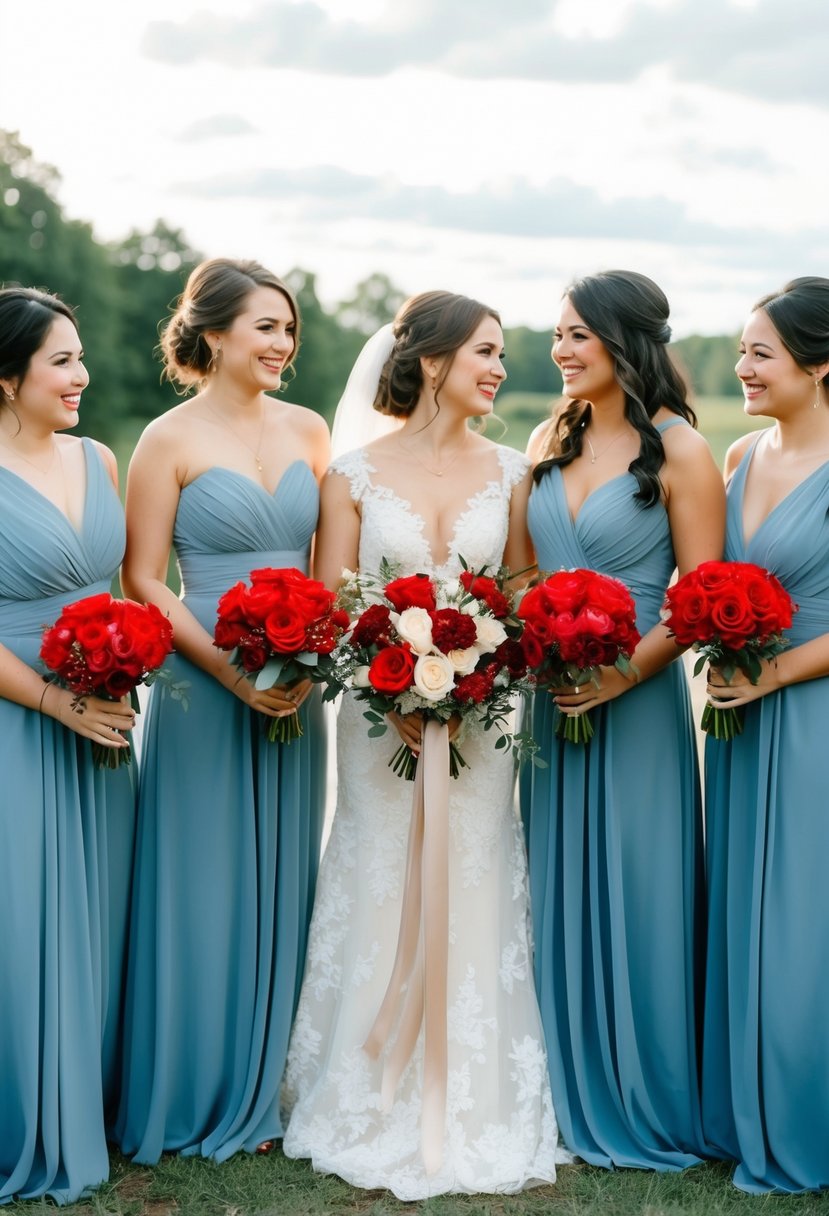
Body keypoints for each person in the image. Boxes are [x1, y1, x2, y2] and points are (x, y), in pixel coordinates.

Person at [282, 290, 570, 1200]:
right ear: (434, 360)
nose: (499, 369)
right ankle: (366, 1091)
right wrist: (385, 681)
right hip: (381, 727)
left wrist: (479, 675)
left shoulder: (512, 476)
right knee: (378, 875)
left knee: (474, 875)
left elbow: (518, 601)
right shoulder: (352, 475)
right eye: (486, 352)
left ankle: (478, 1094)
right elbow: (330, 605)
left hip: (483, 727)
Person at [114, 258, 330, 1162]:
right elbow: (142, 577)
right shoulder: (166, 439)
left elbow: (329, 561)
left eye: (288, 329)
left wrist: (315, 660)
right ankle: (192, 1079)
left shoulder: (312, 429)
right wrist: (229, 672)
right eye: (266, 328)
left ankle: (268, 1077)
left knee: (284, 871)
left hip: (296, 684)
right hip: (201, 683)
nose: (283, 344)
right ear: (214, 334)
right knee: (200, 878)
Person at [521, 269, 724, 1169]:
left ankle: (645, 1088)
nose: (559, 351)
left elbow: (700, 597)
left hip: (632, 701)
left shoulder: (681, 450)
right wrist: (530, 636)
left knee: (640, 888)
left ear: (622, 341)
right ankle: (557, 1083)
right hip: (547, 697)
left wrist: (619, 677)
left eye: (576, 336)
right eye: (556, 335)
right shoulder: (545, 436)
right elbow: (521, 577)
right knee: (551, 882)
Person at [0, 286, 136, 1203]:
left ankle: (87, 1102)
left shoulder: (99, 457)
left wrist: (130, 659)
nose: (81, 375)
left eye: (81, 357)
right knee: (25, 920)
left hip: (108, 720)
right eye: (61, 360)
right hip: (20, 718)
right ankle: (28, 1118)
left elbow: (127, 584)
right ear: (8, 378)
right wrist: (55, 701)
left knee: (100, 913)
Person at [702, 277, 829, 1193]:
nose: (742, 368)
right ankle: (742, 1106)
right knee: (743, 906)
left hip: (811, 712)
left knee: (802, 922)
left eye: (759, 353)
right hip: (739, 726)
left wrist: (771, 673)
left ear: (818, 365)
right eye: (744, 351)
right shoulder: (741, 453)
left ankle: (805, 1118)